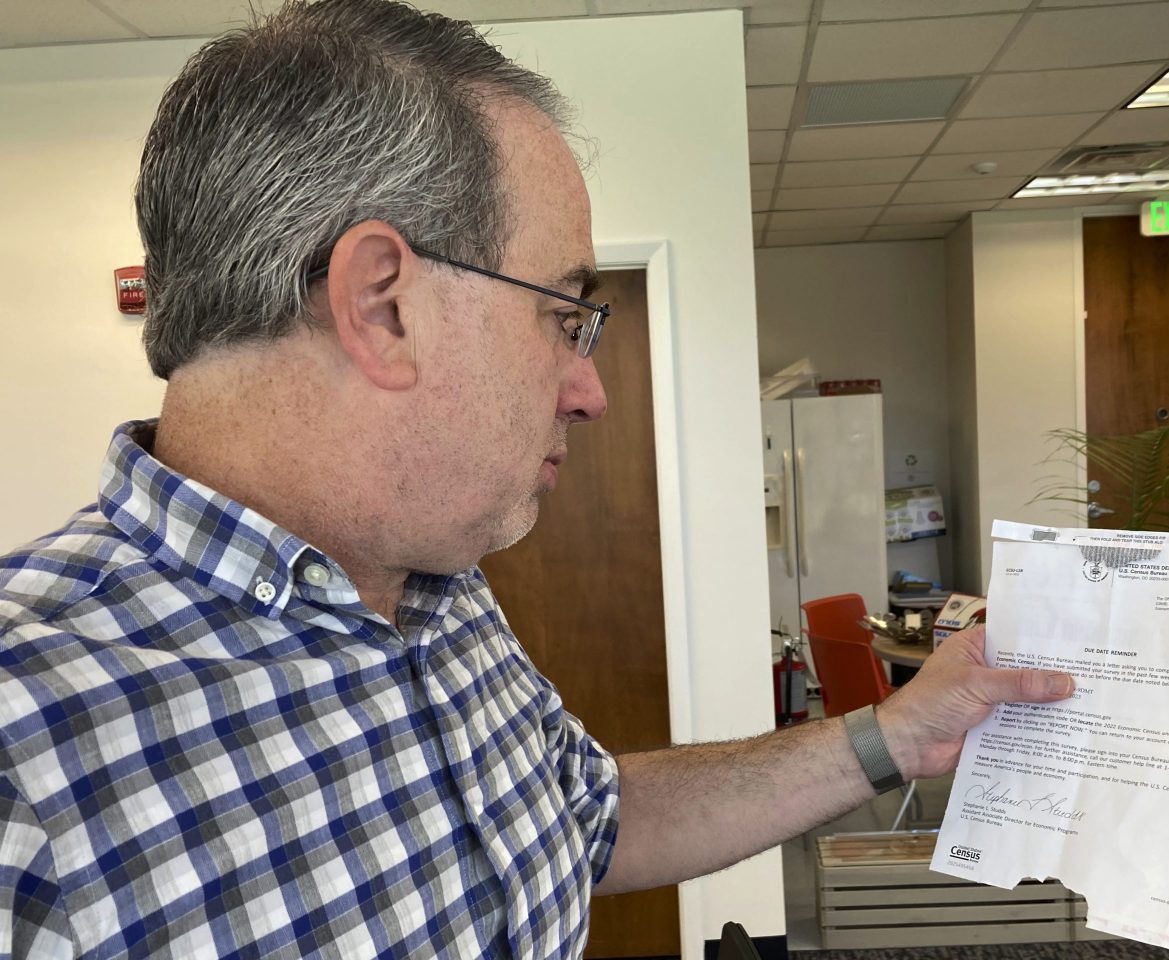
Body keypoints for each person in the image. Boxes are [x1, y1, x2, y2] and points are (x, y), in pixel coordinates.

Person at [0, 1, 1075, 957]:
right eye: (564, 316)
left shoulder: (435, 580)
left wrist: (894, 734)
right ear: (381, 304)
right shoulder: (25, 756)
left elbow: (588, 816)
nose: (588, 389)